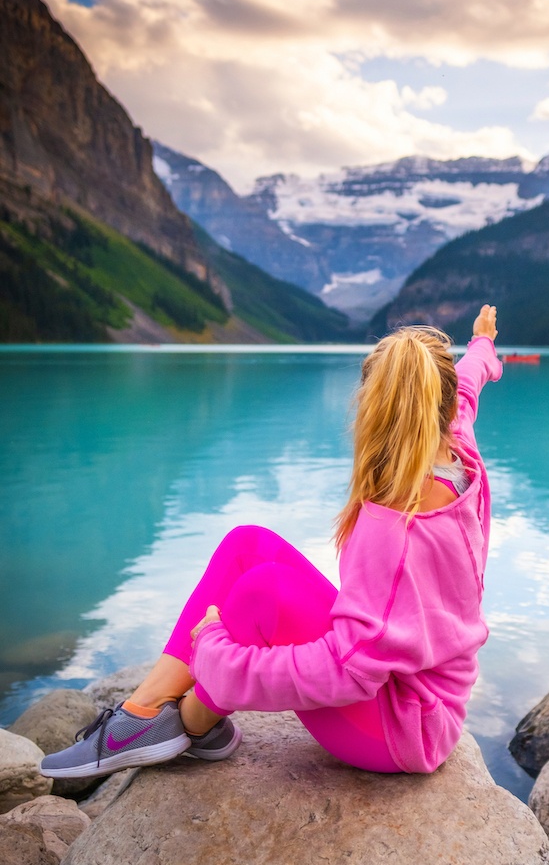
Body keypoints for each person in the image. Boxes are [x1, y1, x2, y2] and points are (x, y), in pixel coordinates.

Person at [40, 304, 502, 780]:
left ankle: (192, 721)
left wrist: (217, 657)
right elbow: (468, 384)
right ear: (440, 403)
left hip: (404, 729)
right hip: (412, 692)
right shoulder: (460, 451)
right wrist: (482, 345)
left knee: (265, 593)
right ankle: (142, 713)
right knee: (248, 544)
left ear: (370, 409)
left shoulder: (392, 526)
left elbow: (350, 672)